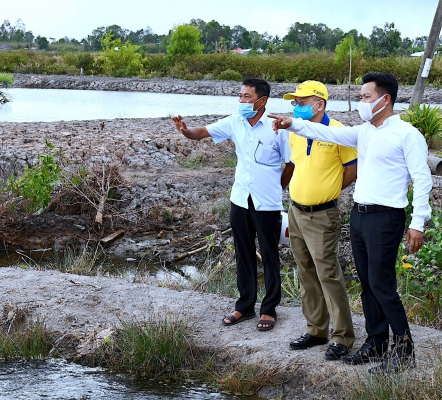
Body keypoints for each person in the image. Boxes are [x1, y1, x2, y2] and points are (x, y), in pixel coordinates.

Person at [269, 72, 432, 374]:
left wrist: (418, 223)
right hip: (360, 215)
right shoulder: (365, 132)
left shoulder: (407, 135)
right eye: (360, 97)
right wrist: (293, 123)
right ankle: (377, 342)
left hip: (387, 217)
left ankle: (405, 349)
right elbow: (327, 134)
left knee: (383, 285)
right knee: (368, 285)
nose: (362, 102)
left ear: (385, 99)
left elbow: (422, 180)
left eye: (366, 97)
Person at [172, 77, 291, 331]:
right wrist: (185, 131)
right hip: (240, 199)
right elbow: (201, 133)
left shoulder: (277, 127)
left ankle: (269, 309)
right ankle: (245, 306)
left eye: (247, 97)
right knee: (243, 253)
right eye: (240, 96)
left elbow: (290, 164)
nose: (242, 101)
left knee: (270, 255)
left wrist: (275, 188)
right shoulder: (235, 122)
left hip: (267, 203)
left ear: (262, 100)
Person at [281, 81, 358, 361]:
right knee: (305, 272)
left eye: (302, 102)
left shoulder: (337, 131)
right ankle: (316, 330)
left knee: (328, 273)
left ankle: (343, 337)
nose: (297, 107)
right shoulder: (295, 131)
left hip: (322, 214)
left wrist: (330, 191)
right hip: (296, 211)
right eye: (295, 102)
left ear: (319, 104)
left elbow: (352, 168)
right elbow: (295, 165)